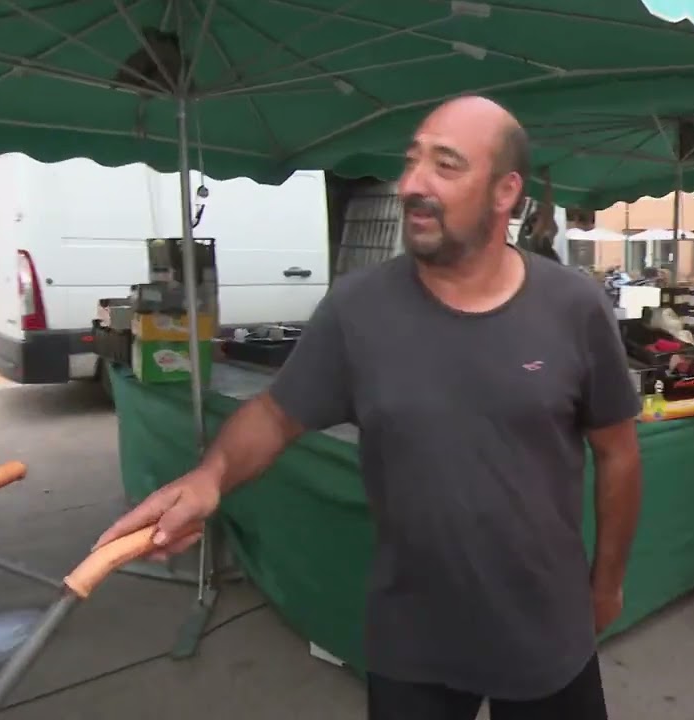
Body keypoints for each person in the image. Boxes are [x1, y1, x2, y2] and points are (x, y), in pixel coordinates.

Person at [95, 95, 644, 720]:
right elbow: (276, 414)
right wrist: (209, 476)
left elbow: (618, 453)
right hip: (413, 638)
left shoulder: (574, 308)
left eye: (446, 165)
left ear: (504, 192)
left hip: (548, 628)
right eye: (411, 162)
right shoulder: (358, 310)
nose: (413, 184)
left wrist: (606, 583)